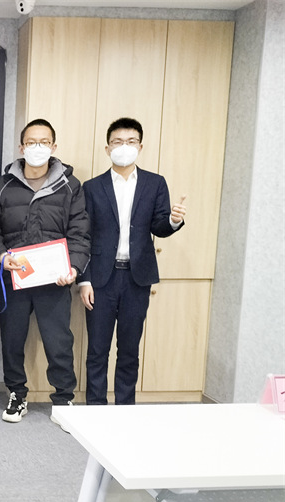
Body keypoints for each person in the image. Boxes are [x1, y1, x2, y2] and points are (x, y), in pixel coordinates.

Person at [79, 117, 186, 405]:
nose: (124, 147)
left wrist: (173, 221)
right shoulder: (92, 187)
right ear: (107, 148)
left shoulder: (155, 183)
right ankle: (95, 408)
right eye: (117, 142)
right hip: (101, 279)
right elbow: (83, 235)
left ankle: (125, 408)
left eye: (130, 142)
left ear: (140, 146)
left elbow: (159, 227)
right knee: (97, 350)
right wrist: (84, 280)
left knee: (129, 350)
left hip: (137, 278)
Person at [0, 118, 90, 426]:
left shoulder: (70, 185)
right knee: (12, 340)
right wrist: (1, 257)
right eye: (31, 142)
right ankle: (17, 394)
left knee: (59, 341)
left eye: (44, 142)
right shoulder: (3, 184)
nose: (37, 147)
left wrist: (73, 268)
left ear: (53, 146)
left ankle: (63, 399)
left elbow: (80, 233)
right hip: (15, 277)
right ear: (21, 147)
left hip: (55, 279)